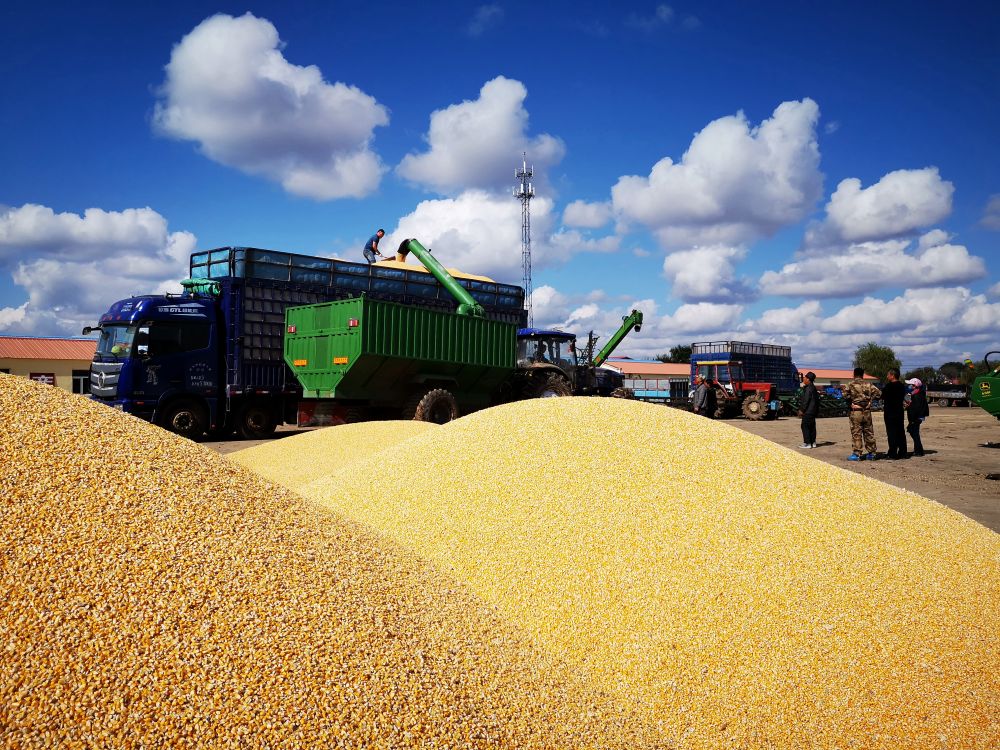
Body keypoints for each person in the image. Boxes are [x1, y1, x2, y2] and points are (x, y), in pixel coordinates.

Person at [843, 367, 881, 461]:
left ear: (854, 374)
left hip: (856, 411)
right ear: (863, 374)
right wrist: (870, 401)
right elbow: (879, 393)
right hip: (867, 411)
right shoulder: (869, 384)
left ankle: (857, 454)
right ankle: (872, 453)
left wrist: (851, 403)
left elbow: (845, 395)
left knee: (856, 432)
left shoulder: (850, 384)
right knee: (869, 432)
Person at [881, 368, 908, 459]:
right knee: (900, 431)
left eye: (888, 374)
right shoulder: (901, 386)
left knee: (891, 433)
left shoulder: (888, 386)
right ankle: (903, 452)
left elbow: (882, 396)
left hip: (890, 412)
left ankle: (892, 453)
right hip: (899, 412)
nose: (887, 376)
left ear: (892, 375)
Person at [905, 377, 930, 456]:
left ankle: (919, 451)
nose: (909, 386)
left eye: (910, 385)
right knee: (913, 432)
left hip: (915, 417)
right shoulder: (915, 393)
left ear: (915, 386)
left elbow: (915, 409)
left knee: (914, 433)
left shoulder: (917, 395)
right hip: (916, 417)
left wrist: (912, 419)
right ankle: (918, 450)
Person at [798, 371, 819, 449]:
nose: (803, 379)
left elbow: (806, 400)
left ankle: (807, 443)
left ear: (808, 379)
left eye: (805, 378)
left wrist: (802, 410)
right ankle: (813, 442)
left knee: (805, 426)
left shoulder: (808, 388)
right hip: (813, 411)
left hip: (808, 411)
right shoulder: (813, 388)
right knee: (812, 427)